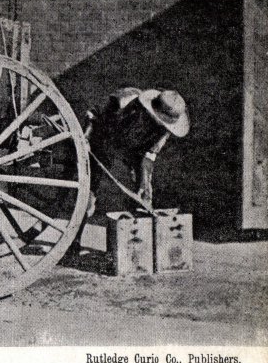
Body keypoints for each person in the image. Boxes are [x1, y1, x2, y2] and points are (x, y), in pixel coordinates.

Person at [70, 87, 190, 253]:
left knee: (144, 197)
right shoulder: (124, 101)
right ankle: (73, 241)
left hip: (135, 154)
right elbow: (93, 114)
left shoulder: (166, 129)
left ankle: (138, 250)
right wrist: (86, 138)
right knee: (89, 194)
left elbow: (149, 157)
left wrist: (144, 183)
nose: (157, 125)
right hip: (103, 141)